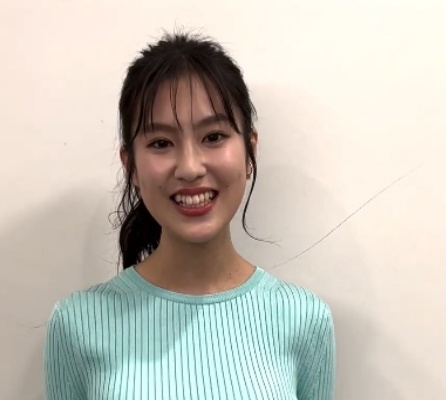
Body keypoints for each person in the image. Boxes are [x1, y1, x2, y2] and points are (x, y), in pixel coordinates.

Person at [44, 31, 335, 400]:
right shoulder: (77, 323)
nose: (190, 167)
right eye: (161, 143)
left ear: (249, 151)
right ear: (131, 166)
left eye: (213, 137)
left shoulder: (304, 318)